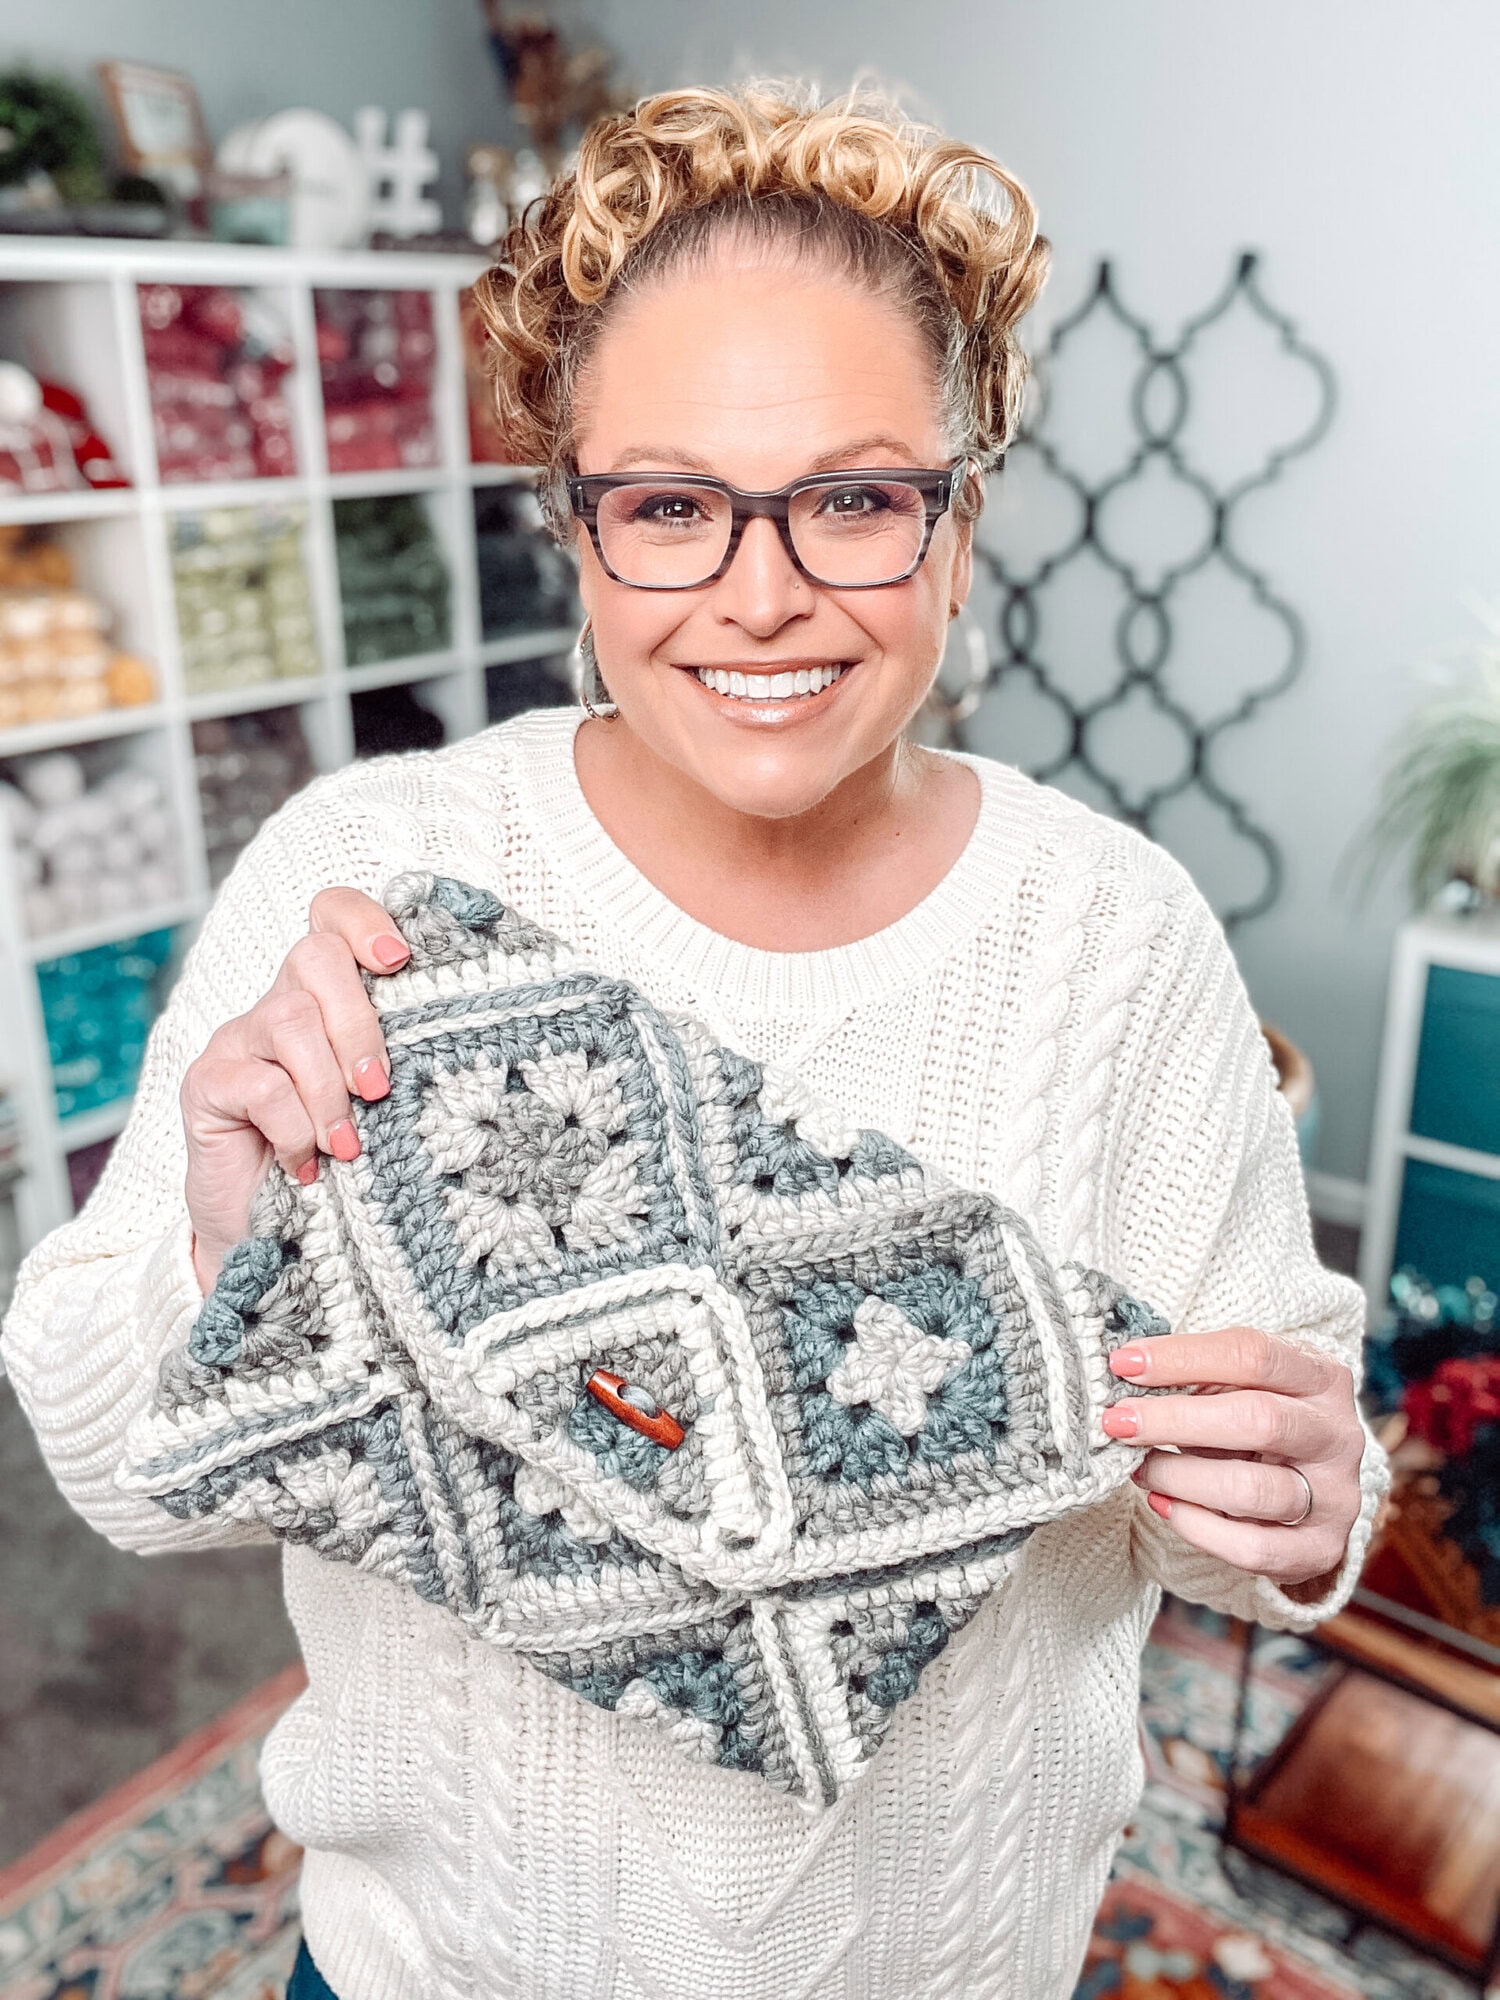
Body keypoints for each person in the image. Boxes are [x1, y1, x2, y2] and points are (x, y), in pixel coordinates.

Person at [3, 81, 1384, 2000]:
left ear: (960, 523)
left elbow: (1264, 1466)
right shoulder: (376, 877)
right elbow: (113, 1472)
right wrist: (232, 1262)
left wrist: (1305, 1505)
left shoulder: (1117, 942)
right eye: (666, 505)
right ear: (575, 531)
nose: (760, 588)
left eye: (854, 499)